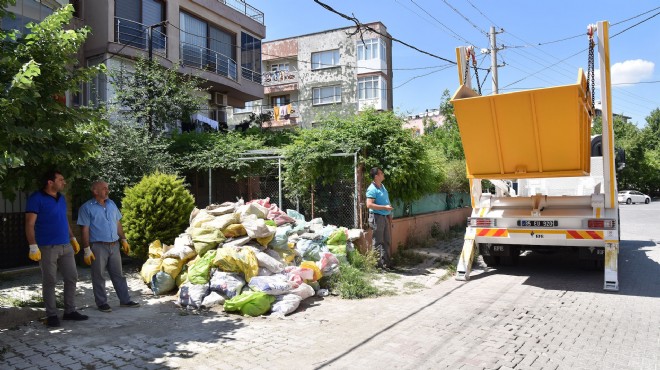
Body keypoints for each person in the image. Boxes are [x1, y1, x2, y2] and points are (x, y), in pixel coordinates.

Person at [25, 170, 89, 327]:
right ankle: (52, 315)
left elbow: (64, 220)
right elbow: (29, 224)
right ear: (50, 182)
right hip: (47, 247)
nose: (64, 182)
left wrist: (72, 237)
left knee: (72, 277)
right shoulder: (36, 199)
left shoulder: (61, 199)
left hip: (65, 245)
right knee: (50, 281)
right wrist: (33, 245)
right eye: (61, 180)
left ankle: (69, 311)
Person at [77, 180, 140, 312]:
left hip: (115, 245)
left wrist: (123, 239)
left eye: (107, 188)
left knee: (118, 274)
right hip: (98, 247)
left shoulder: (111, 204)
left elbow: (117, 223)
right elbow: (85, 230)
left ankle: (125, 300)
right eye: (104, 188)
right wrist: (87, 249)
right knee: (99, 276)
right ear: (95, 191)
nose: (107, 191)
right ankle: (102, 303)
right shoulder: (86, 208)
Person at [366, 167, 393, 268]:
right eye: (381, 173)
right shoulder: (372, 189)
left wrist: (389, 214)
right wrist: (384, 208)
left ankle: (386, 263)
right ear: (376, 176)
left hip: (384, 216)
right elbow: (369, 205)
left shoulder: (382, 186)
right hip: (377, 217)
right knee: (377, 241)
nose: (383, 174)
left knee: (386, 240)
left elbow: (386, 201)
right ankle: (376, 265)